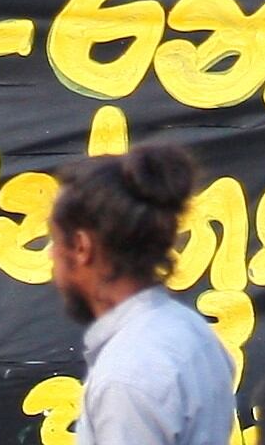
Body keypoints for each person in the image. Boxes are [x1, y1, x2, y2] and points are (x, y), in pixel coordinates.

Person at [52, 145, 236, 445]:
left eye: (56, 241)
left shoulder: (128, 374)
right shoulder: (189, 330)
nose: (52, 258)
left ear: (82, 247)